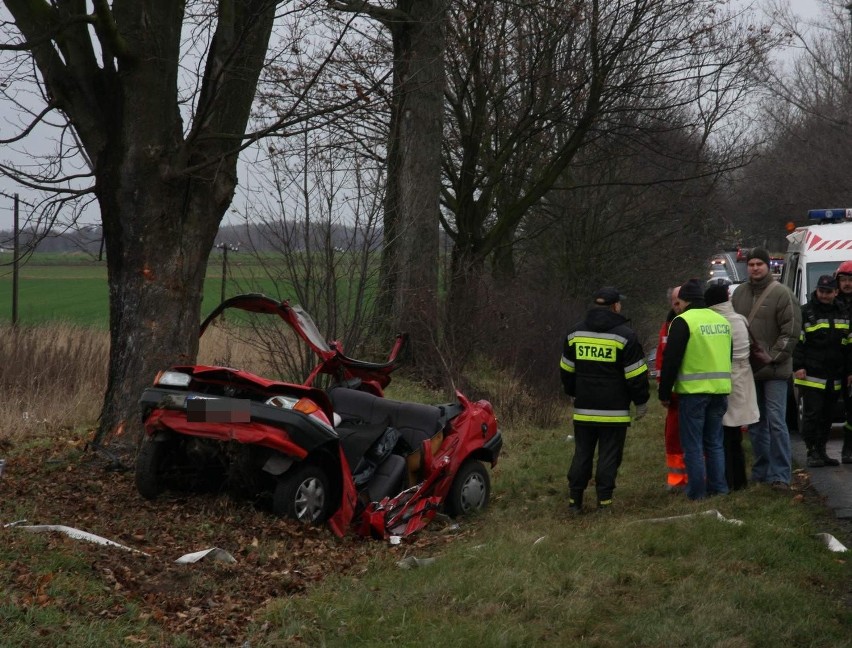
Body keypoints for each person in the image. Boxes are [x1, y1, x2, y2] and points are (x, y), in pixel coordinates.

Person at [559, 286, 650, 514]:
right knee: (609, 456)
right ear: (615, 306)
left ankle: (574, 502)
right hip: (615, 411)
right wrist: (641, 402)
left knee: (582, 453)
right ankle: (604, 503)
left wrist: (573, 392)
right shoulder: (625, 336)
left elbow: (566, 370)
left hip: (584, 409)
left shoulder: (575, 334)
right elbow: (636, 375)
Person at [731, 247, 801, 490]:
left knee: (776, 422)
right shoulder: (738, 293)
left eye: (759, 263)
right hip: (748, 370)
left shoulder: (782, 294)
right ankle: (762, 471)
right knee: (755, 422)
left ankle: (780, 475)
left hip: (775, 371)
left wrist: (771, 358)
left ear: (768, 266)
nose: (755, 268)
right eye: (751, 264)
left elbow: (791, 332)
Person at [658, 279, 732, 500]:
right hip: (720, 391)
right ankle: (719, 489)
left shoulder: (683, 321)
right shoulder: (721, 321)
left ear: (685, 300)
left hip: (693, 393)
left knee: (693, 446)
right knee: (715, 443)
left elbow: (671, 360)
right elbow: (727, 355)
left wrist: (664, 393)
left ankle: (697, 493)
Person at [705, 283, 759, 490]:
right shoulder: (740, 320)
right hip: (743, 381)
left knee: (722, 436)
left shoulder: (716, 322)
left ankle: (726, 480)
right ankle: (740, 480)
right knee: (735, 435)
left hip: (724, 380)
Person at [792, 274, 850, 467]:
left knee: (828, 416)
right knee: (812, 414)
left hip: (835, 374)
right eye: (821, 291)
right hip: (811, 374)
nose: (824, 295)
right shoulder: (806, 312)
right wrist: (798, 366)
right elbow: (798, 342)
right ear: (817, 291)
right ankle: (811, 451)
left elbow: (849, 344)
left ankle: (822, 451)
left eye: (828, 292)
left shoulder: (843, 312)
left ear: (836, 292)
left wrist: (849, 370)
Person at [655, 286, 687, 492]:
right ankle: (677, 480)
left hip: (693, 389)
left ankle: (695, 477)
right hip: (675, 393)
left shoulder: (687, 322)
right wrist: (663, 390)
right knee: (673, 437)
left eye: (680, 302)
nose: (677, 307)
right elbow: (661, 359)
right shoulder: (667, 326)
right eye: (674, 303)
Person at [833, 260, 852, 463]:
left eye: (850, 280)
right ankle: (817, 450)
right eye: (844, 280)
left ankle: (848, 449)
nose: (847, 284)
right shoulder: (831, 303)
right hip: (830, 365)